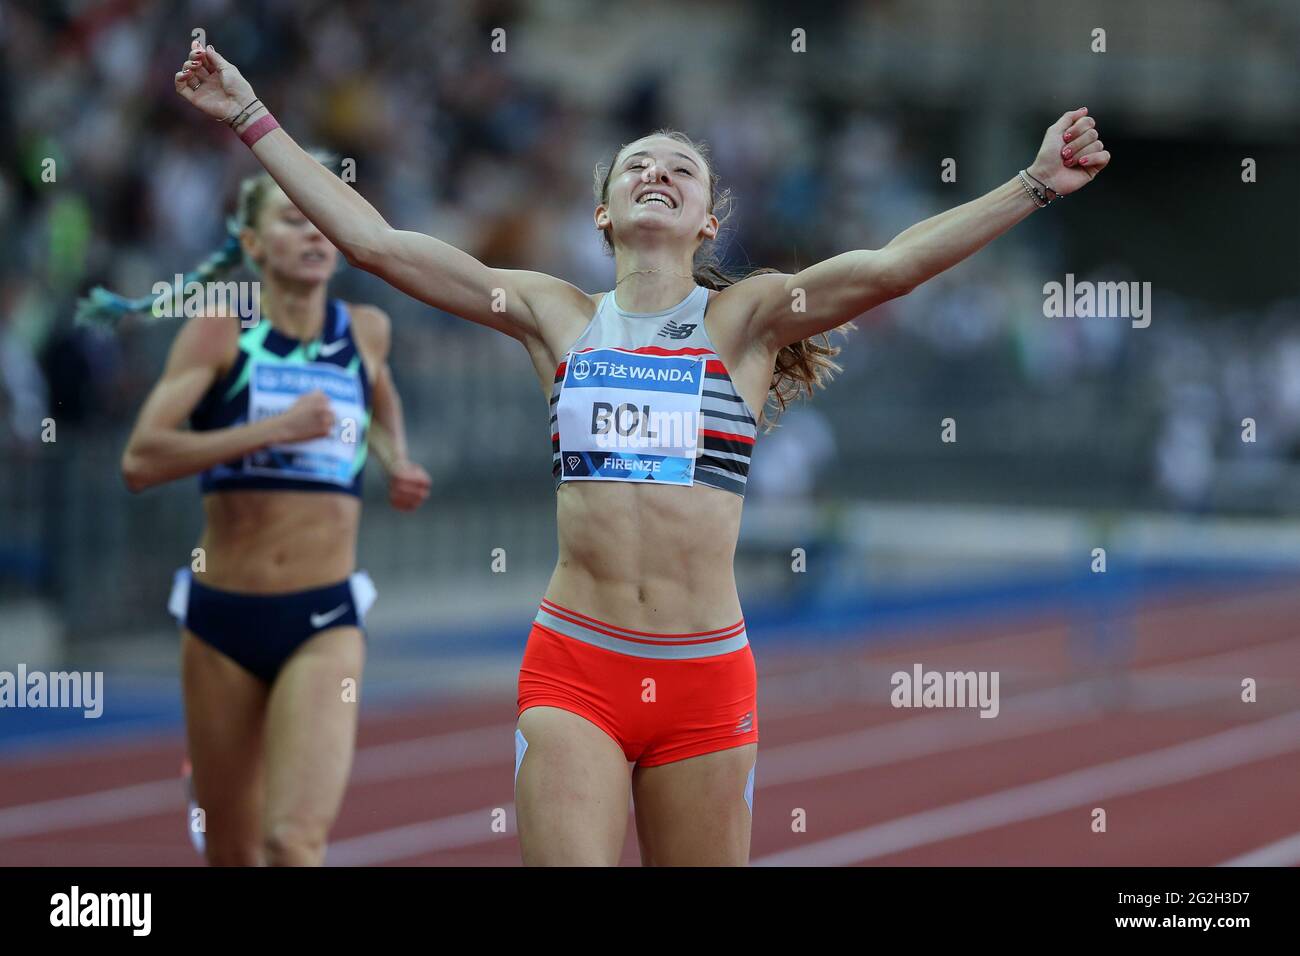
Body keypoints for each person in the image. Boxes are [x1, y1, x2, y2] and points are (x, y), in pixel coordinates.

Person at [176, 39, 1108, 865]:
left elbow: (889, 267)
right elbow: (377, 244)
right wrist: (250, 116)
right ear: (603, 213)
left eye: (682, 170)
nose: (657, 172)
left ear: (709, 221)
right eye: (637, 167)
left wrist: (1030, 185)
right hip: (575, 666)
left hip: (706, 676)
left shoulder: (745, 322)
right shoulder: (553, 315)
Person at [84, 156, 432, 865]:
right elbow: (141, 460)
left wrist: (397, 461)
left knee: (292, 840)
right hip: (221, 623)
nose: (313, 235)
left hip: (324, 620)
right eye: (292, 220)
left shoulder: (365, 331)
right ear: (251, 244)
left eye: (322, 222)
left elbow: (380, 401)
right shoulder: (218, 333)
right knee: (234, 853)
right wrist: (269, 430)